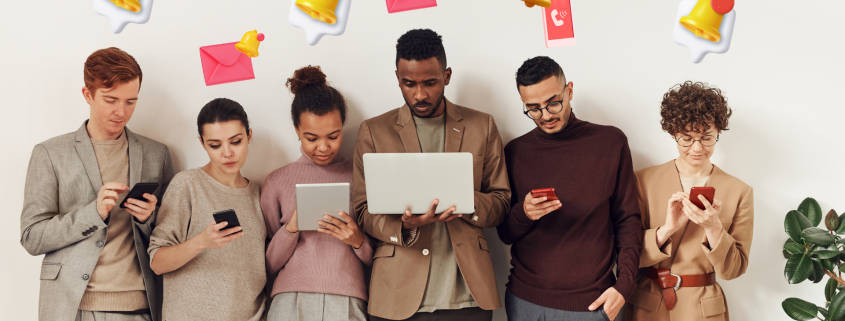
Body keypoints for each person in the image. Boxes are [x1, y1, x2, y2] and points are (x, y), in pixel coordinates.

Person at [352, 28, 511, 321]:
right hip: (397, 293)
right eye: (409, 84)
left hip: (467, 296)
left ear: (447, 76)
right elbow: (362, 211)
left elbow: (501, 203)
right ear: (397, 78)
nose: (420, 94)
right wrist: (406, 226)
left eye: (430, 82)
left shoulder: (482, 126)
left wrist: (464, 202)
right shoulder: (373, 131)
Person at [20, 47, 172, 321]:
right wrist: (94, 213)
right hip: (73, 306)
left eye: (130, 101)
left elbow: (168, 236)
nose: (121, 112)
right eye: (111, 99)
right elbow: (32, 237)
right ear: (87, 95)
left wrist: (148, 219)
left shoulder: (156, 154)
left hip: (139, 306)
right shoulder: (50, 153)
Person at [497, 56, 642, 321]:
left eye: (554, 103)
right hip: (526, 302)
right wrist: (524, 213)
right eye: (533, 109)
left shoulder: (610, 142)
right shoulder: (515, 152)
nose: (546, 115)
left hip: (594, 304)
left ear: (570, 90)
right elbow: (505, 233)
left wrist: (624, 287)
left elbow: (628, 221)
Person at [628, 82, 753, 321]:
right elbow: (626, 254)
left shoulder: (739, 192)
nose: (697, 148)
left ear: (718, 132)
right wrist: (666, 230)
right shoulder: (643, 181)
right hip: (649, 306)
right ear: (673, 133)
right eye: (686, 138)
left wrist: (713, 227)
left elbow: (734, 269)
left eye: (707, 137)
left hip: (703, 310)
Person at [261, 66, 373, 321]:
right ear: (297, 131)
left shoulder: (361, 178)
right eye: (311, 138)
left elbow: (378, 258)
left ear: (343, 127)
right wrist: (291, 228)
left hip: (348, 296)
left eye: (333, 136)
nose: (323, 147)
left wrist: (356, 239)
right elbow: (267, 263)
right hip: (290, 298)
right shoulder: (277, 181)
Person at [147, 98, 266, 321]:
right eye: (215, 145)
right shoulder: (187, 184)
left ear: (249, 136)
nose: (227, 153)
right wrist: (202, 241)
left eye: (236, 141)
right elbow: (157, 262)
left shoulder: (259, 194)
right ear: (202, 143)